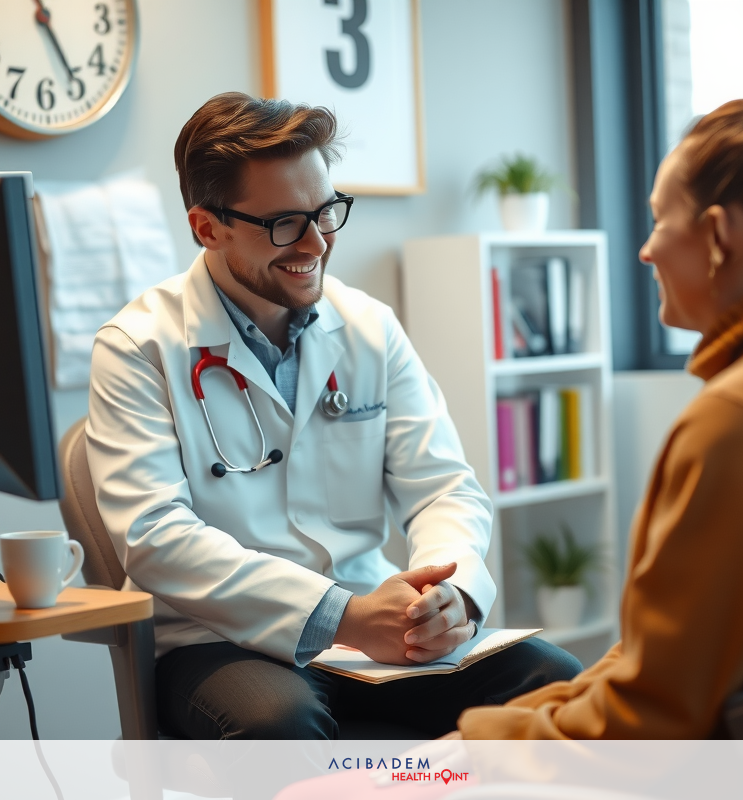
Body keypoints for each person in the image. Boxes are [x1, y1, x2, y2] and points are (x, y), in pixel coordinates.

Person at [85, 92, 580, 739]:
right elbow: (156, 537)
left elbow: (443, 486)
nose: (318, 242)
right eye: (287, 223)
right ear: (208, 227)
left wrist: (448, 592)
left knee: (557, 686)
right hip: (219, 639)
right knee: (280, 726)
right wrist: (338, 615)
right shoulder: (138, 346)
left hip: (373, 629)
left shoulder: (368, 328)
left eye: (326, 211)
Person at [450, 58, 743, 739]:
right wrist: (505, 725)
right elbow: (654, 666)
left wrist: (465, 751)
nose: (645, 251)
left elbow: (647, 725)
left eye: (660, 220)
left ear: (719, 237)